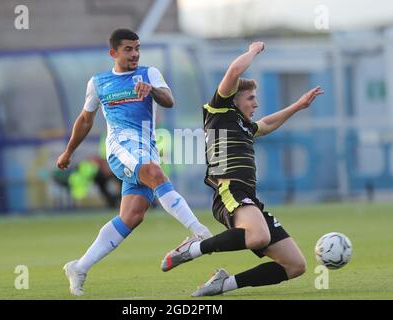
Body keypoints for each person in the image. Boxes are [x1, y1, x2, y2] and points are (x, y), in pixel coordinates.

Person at [160, 42, 323, 297]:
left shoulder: (245, 126)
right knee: (257, 237)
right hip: (229, 190)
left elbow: (267, 124)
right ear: (233, 99)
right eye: (251, 98)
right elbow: (235, 70)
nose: (256, 104)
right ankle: (193, 248)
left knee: (295, 266)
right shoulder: (219, 111)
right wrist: (254, 50)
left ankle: (223, 284)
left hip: (248, 198)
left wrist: (298, 106)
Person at [57, 28, 212, 296]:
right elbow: (85, 120)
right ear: (113, 53)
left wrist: (151, 90)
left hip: (146, 148)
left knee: (132, 216)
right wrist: (68, 152)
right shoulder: (99, 82)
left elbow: (169, 100)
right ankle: (199, 232)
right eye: (128, 49)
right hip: (120, 149)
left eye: (137, 48)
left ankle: (79, 267)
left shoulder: (148, 73)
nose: (135, 54)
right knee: (155, 173)